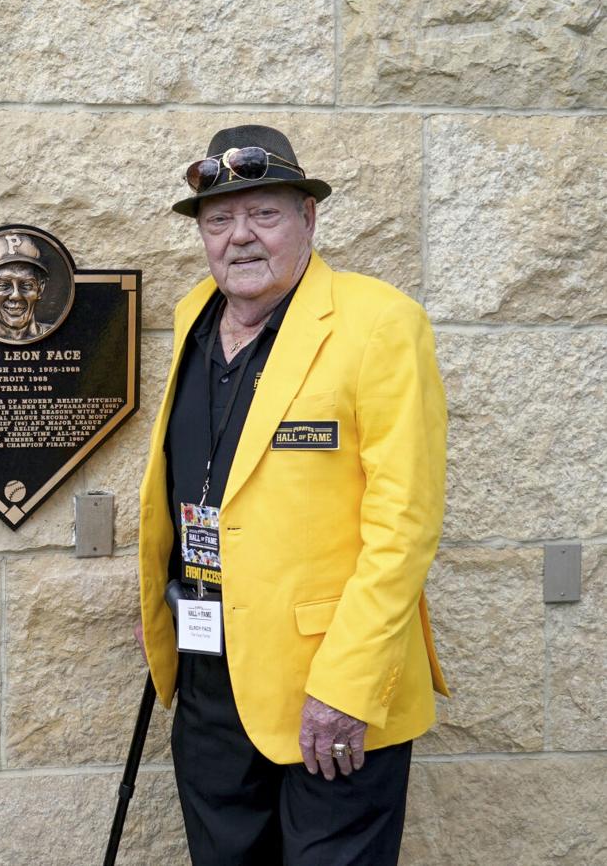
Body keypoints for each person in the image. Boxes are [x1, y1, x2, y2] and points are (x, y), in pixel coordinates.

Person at [133, 124, 449, 865]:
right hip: (211, 678)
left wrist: (345, 687)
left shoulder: (379, 324)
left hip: (330, 689)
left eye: (265, 214)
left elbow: (404, 525)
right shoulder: (192, 318)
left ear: (308, 219)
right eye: (219, 220)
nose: (239, 237)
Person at [0, 232, 53, 341]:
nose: (16, 295)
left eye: (26, 285)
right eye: (3, 285)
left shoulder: (63, 335)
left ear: (40, 289)